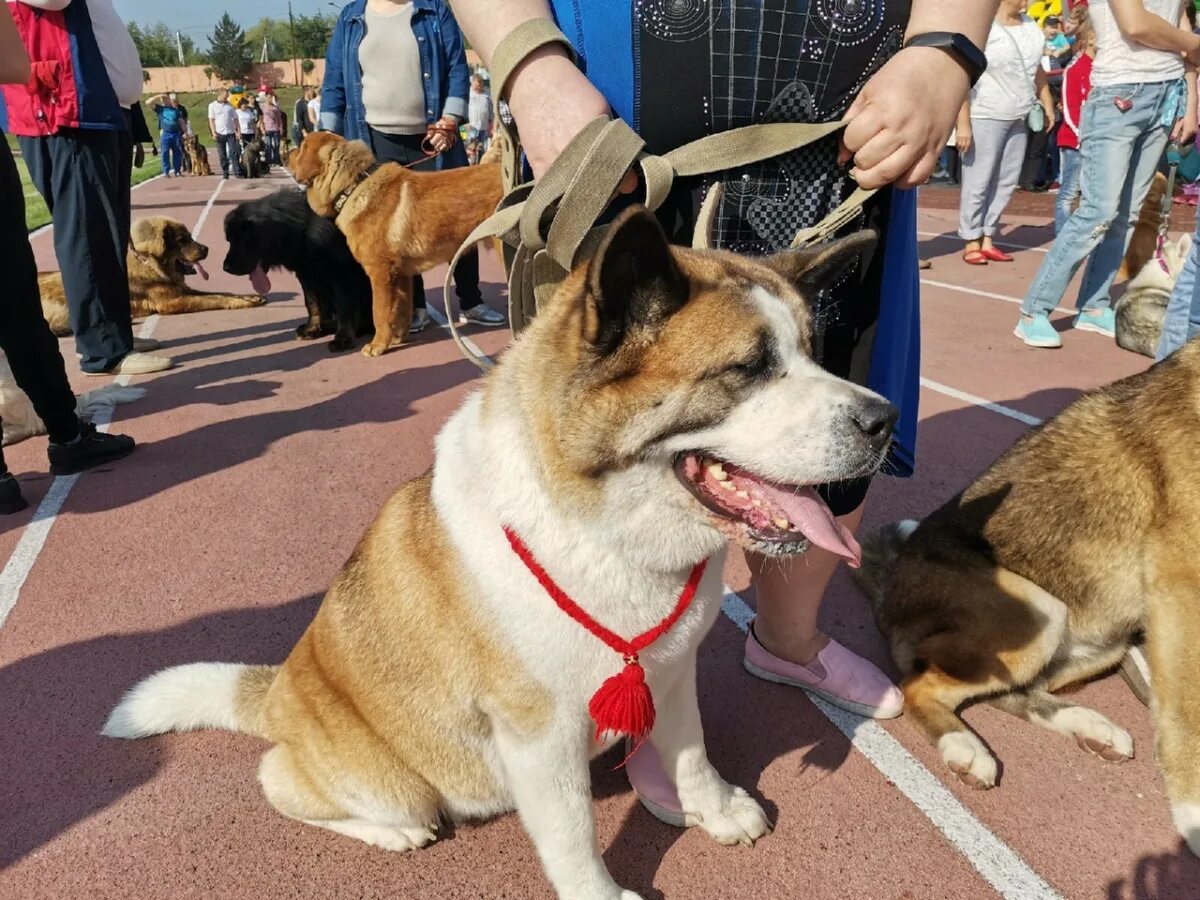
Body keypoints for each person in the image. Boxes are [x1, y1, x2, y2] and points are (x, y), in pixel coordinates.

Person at [453, 0, 998, 831]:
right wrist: (526, 59)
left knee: (829, 416)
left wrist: (945, 47)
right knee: (634, 441)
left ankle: (786, 638)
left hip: (853, 112)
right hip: (615, 110)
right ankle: (621, 669)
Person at [0, 4, 137, 513]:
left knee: (18, 303)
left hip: (75, 108)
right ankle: (68, 429)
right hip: (59, 110)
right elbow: (15, 63)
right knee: (17, 302)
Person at [0, 0, 171, 377]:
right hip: (64, 113)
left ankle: (114, 333)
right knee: (87, 236)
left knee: (108, 236)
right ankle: (102, 348)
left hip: (101, 111)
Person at [1017, 0, 1199, 348]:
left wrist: (1190, 106)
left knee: (1128, 214)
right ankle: (1034, 310)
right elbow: (1136, 25)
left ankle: (1095, 305)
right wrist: (1190, 44)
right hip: (1119, 94)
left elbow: (1184, 34)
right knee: (1097, 212)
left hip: (1166, 95)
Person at [321, 0, 507, 333]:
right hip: (373, 140)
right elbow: (335, 80)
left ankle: (472, 300)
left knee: (459, 219)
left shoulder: (433, 10)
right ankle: (416, 309)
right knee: (397, 236)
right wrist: (328, 135)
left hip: (433, 136)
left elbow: (455, 66)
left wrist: (451, 118)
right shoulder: (351, 17)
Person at [959, 0, 1056, 265]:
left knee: (1005, 179)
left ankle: (988, 235)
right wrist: (963, 121)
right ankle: (971, 238)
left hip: (1019, 112)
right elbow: (963, 74)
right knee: (979, 178)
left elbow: (1035, 68)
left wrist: (1046, 101)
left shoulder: (1030, 26)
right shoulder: (983, 26)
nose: (1026, 2)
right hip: (986, 110)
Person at [1056, 20, 1095, 233]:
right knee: (1069, 193)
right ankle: (1062, 234)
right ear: (1090, 38)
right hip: (1075, 142)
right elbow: (1070, 109)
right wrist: (1082, 137)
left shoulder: (1101, 69)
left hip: (1096, 141)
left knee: (1090, 194)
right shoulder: (1074, 69)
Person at [208, 88, 242, 179]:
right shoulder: (212, 106)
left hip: (230, 132)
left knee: (234, 153)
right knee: (222, 155)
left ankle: (237, 172)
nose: (227, 97)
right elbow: (211, 120)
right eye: (225, 95)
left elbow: (235, 119)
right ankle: (225, 172)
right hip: (219, 133)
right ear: (220, 95)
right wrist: (213, 132)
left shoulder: (230, 106)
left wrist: (238, 131)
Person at [153, 92, 186, 177]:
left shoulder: (175, 110)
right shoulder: (160, 109)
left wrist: (185, 132)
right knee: (165, 153)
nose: (163, 100)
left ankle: (177, 170)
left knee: (178, 152)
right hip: (166, 133)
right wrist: (158, 96)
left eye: (165, 99)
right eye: (162, 99)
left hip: (176, 133)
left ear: (169, 100)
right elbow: (147, 103)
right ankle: (166, 171)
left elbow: (181, 121)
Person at [466, 72, 492, 163]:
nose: (478, 88)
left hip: (484, 127)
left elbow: (491, 108)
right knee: (471, 148)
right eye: (476, 86)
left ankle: (480, 164)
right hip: (471, 126)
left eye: (480, 86)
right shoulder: (468, 93)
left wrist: (491, 123)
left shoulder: (487, 93)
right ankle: (471, 165)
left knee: (482, 149)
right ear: (472, 83)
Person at [260, 94, 285, 166]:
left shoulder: (275, 108)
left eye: (271, 98)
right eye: (269, 98)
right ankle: (269, 161)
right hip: (267, 128)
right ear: (266, 98)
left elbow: (279, 119)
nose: (270, 99)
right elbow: (261, 119)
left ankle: (276, 160)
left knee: (276, 145)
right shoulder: (263, 107)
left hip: (275, 129)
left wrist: (281, 128)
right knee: (268, 145)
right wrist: (262, 129)